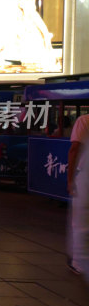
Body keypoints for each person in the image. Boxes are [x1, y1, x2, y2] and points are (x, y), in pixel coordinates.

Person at [69, 115, 89, 285]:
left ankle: (78, 263)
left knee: (80, 223)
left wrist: (69, 179)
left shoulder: (84, 121)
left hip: (86, 177)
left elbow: (74, 148)